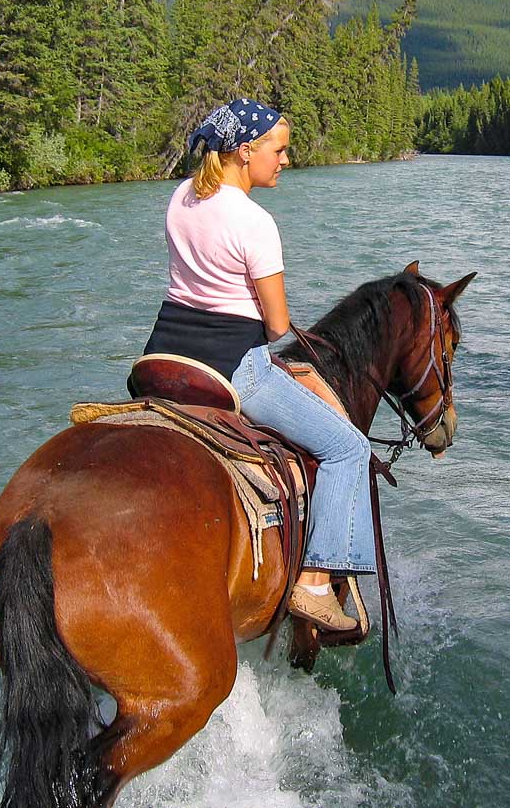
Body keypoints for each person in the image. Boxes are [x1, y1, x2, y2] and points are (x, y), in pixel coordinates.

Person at [141, 98, 370, 632]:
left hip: (166, 357)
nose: (285, 159)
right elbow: (276, 326)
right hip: (233, 368)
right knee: (347, 448)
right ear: (246, 152)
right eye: (279, 149)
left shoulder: (181, 197)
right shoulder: (255, 221)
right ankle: (315, 586)